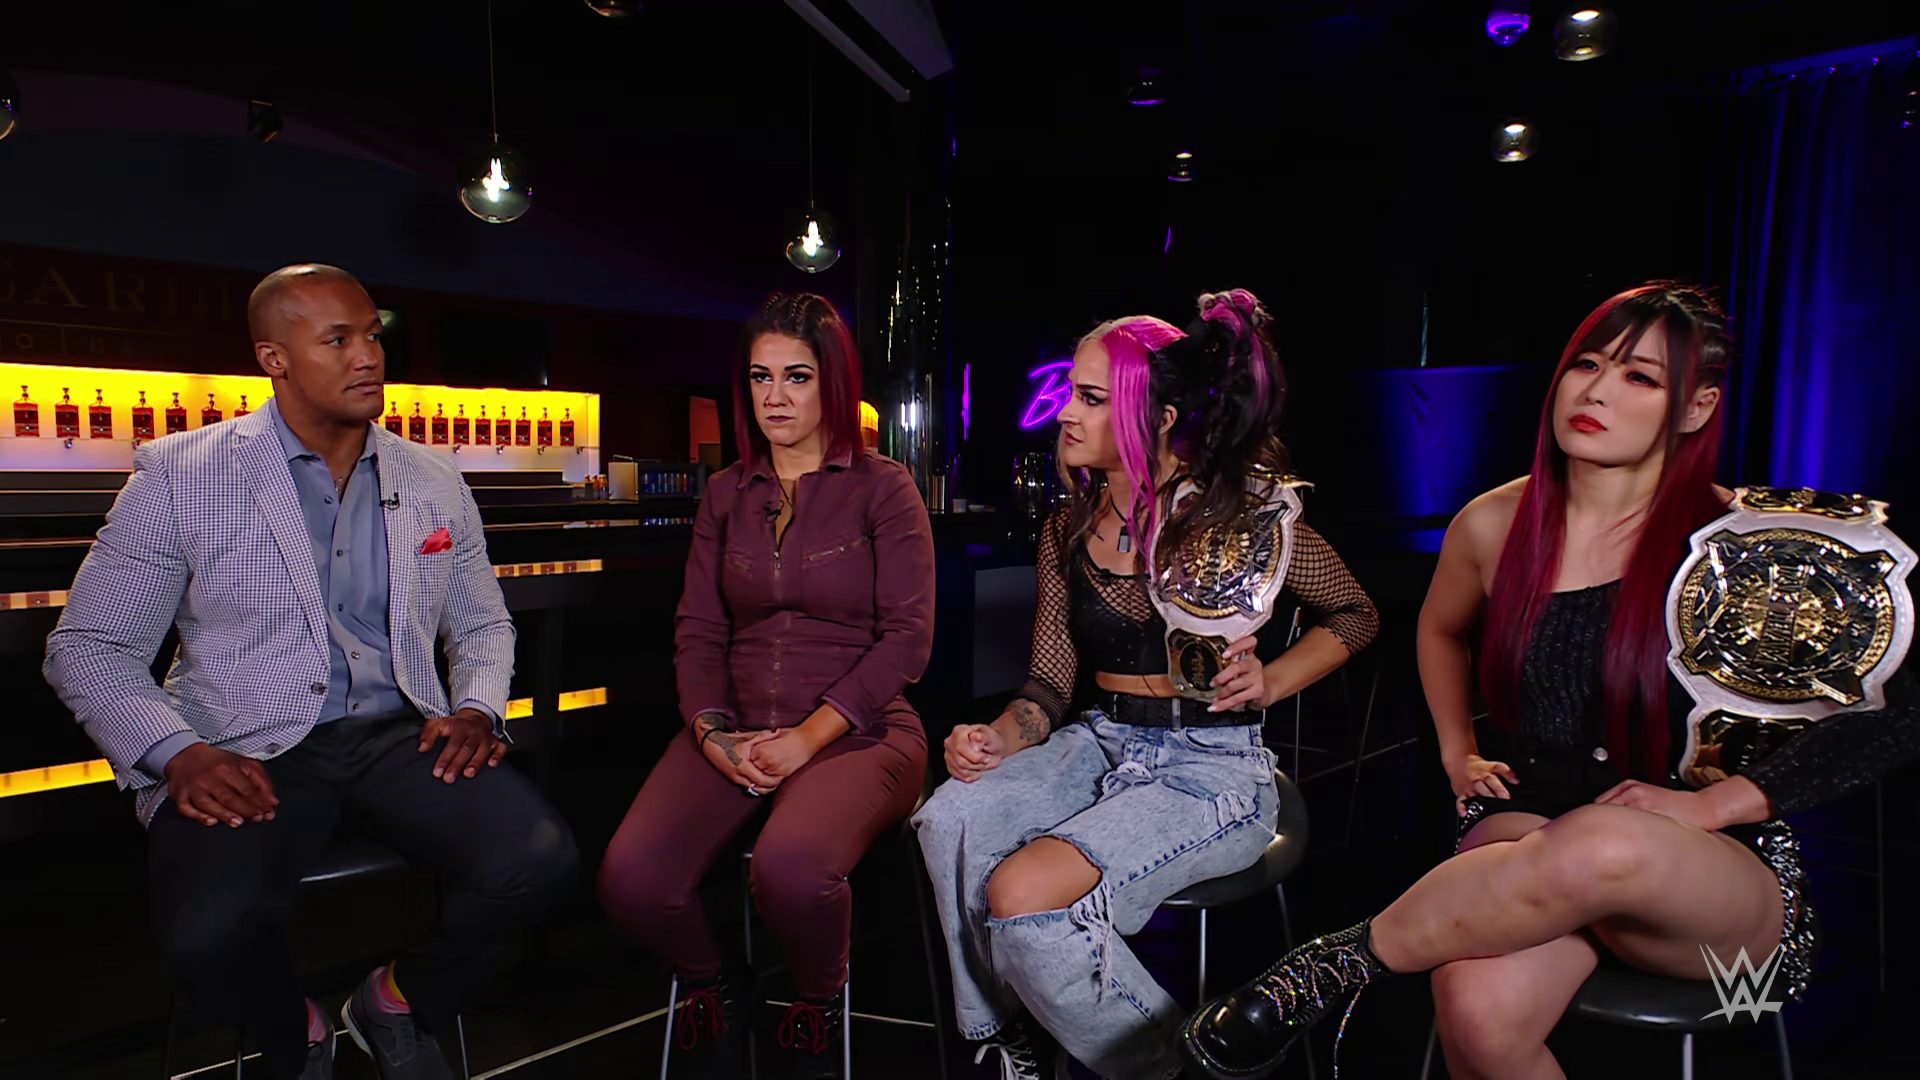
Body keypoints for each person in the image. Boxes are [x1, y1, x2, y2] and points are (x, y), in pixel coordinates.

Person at [1181, 283, 1920, 1080]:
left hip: (1708, 891)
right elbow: (1439, 629)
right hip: (1530, 828)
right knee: (1475, 1006)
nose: (1596, 391)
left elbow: (1899, 716)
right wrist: (1457, 750)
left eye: (1639, 377)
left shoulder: (1751, 549)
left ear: (1697, 407)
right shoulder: (1493, 523)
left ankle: (1333, 966)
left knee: (1608, 842)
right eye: (1587, 365)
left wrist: (1715, 805)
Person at [43, 264, 578, 1080]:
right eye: (337, 340)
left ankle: (396, 1001)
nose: (368, 356)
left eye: (372, 335)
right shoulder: (182, 473)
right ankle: (296, 1032)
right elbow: (89, 645)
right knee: (207, 934)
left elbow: (480, 621)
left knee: (540, 861)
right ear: (275, 359)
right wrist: (179, 753)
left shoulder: (433, 476)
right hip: (244, 745)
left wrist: (477, 707)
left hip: (401, 734)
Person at [914, 290, 1380, 1080]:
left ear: (1160, 418)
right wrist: (997, 736)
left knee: (1023, 894)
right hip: (1103, 743)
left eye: (1092, 398)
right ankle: (1009, 1032)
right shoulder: (1068, 525)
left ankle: (1174, 1069)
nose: (1065, 413)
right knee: (950, 817)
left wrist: (1271, 679)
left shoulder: (1235, 514)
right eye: (1071, 392)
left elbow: (1357, 614)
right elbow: (1050, 684)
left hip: (1210, 768)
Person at [596, 293, 934, 1078]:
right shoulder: (726, 492)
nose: (775, 397)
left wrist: (807, 738)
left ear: (833, 384)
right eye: (760, 377)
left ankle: (819, 1000)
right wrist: (713, 733)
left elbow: (908, 641)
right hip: (738, 725)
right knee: (633, 879)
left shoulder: (884, 488)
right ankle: (714, 983)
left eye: (797, 377)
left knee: (788, 868)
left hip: (860, 729)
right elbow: (699, 631)